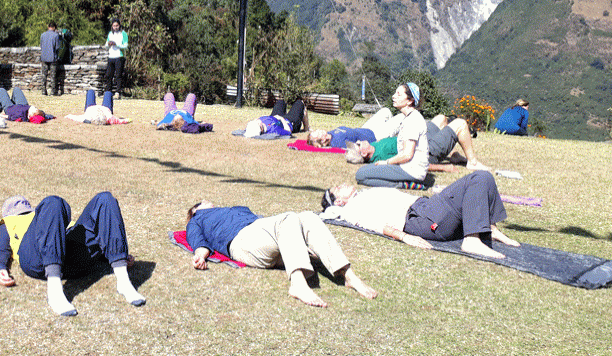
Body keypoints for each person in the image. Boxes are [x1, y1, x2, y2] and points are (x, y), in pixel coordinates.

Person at [186, 200, 376, 308]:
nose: (209, 202)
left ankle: (349, 275)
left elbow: (270, 225)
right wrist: (200, 256)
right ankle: (298, 284)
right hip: (242, 242)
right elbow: (198, 241)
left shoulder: (232, 209)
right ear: (196, 209)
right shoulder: (197, 219)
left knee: (308, 216)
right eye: (203, 202)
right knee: (288, 217)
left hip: (263, 235)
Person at [0, 192, 145, 316]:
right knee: (53, 201)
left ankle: (123, 280)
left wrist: (113, 257)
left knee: (105, 199)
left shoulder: (50, 214)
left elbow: (88, 238)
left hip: (69, 256)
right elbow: (0, 249)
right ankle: (55, 291)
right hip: (36, 259)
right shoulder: (8, 223)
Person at [322, 170, 520, 259]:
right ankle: (471, 241)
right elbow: (372, 224)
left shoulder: (362, 195)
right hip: (422, 218)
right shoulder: (351, 209)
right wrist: (405, 237)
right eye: (337, 189)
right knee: (478, 178)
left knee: (484, 176)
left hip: (426, 207)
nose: (342, 185)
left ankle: (489, 228)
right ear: (339, 202)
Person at [346, 114, 489, 171]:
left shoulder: (373, 146)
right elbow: (411, 164)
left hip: (419, 138)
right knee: (460, 124)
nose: (358, 141)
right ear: (364, 153)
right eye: (357, 144)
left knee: (441, 118)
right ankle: (472, 162)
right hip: (427, 150)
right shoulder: (382, 159)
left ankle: (453, 154)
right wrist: (443, 168)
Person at [352, 83, 429, 187]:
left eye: (399, 94)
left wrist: (387, 162)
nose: (394, 96)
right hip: (408, 167)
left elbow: (407, 155)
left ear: (410, 101)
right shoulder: (409, 117)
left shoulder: (413, 120)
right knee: (365, 171)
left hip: (412, 170)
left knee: (361, 175)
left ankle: (405, 184)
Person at [309, 107, 403, 148]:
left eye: (316, 130)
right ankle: (395, 141)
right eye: (317, 133)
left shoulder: (330, 133)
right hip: (375, 137)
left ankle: (394, 138)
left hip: (366, 128)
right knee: (402, 117)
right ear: (322, 141)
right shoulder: (337, 143)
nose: (319, 130)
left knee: (385, 111)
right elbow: (354, 148)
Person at [242, 98, 310, 138]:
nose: (256, 120)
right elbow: (288, 131)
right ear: (261, 127)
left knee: (281, 101)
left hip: (274, 117)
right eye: (256, 122)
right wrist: (281, 119)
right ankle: (306, 128)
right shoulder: (273, 130)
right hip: (288, 122)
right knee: (300, 103)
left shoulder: (255, 125)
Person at [65, 89, 131, 125]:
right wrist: (127, 120)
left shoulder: (87, 118)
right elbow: (122, 121)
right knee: (107, 93)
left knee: (91, 91)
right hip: (101, 108)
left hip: (94, 108)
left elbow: (75, 117)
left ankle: (95, 92)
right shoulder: (109, 118)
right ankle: (105, 92)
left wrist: (68, 116)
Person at [104, 19, 128, 99]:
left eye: (117, 25)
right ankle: (108, 92)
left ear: (119, 25)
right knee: (108, 75)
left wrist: (116, 44)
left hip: (119, 56)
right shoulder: (110, 34)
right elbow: (106, 44)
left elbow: (125, 46)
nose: (115, 27)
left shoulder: (123, 34)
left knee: (118, 75)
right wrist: (109, 44)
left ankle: (118, 92)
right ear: (112, 26)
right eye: (114, 26)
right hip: (111, 56)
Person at [40, 21, 61, 96]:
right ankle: (52, 92)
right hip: (52, 58)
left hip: (44, 57)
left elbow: (41, 46)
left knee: (44, 76)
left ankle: (43, 91)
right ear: (54, 27)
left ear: (48, 27)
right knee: (53, 76)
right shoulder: (55, 35)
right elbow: (57, 47)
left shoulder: (42, 35)